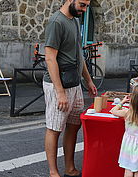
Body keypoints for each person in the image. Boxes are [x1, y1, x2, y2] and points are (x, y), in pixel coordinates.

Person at [43, 0, 97, 177]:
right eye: (82, 4)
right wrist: (59, 92)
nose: (84, 9)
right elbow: (50, 58)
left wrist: (88, 80)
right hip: (58, 85)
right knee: (54, 128)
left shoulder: (75, 20)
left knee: (74, 125)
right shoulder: (56, 22)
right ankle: (53, 172)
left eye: (87, 6)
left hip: (74, 83)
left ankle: (69, 168)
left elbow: (78, 54)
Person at [111, 84, 138, 177]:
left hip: (129, 144)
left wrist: (121, 102)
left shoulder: (127, 113)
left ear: (133, 99)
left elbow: (113, 111)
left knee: (129, 168)